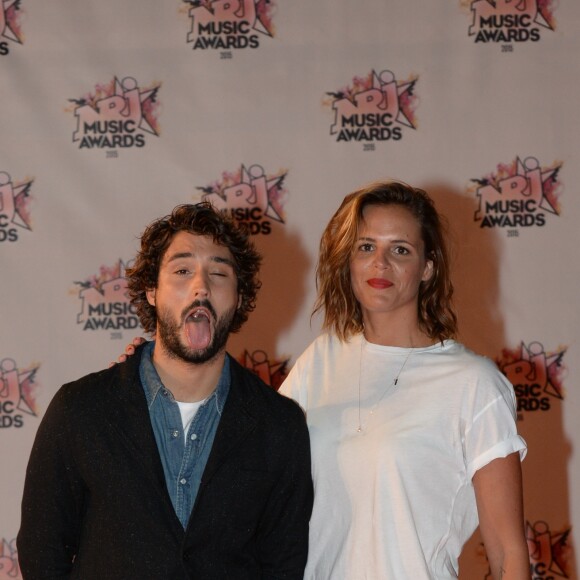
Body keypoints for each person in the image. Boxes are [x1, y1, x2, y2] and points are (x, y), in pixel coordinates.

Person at [17, 203, 313, 580]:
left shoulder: (279, 426)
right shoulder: (80, 410)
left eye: (219, 272)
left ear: (239, 298)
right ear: (152, 291)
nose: (201, 286)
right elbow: (43, 556)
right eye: (182, 270)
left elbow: (283, 566)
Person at [278, 181, 529, 579]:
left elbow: (507, 552)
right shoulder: (319, 362)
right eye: (366, 247)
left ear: (427, 267)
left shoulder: (474, 385)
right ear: (348, 260)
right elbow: (252, 462)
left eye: (400, 250)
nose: (380, 264)